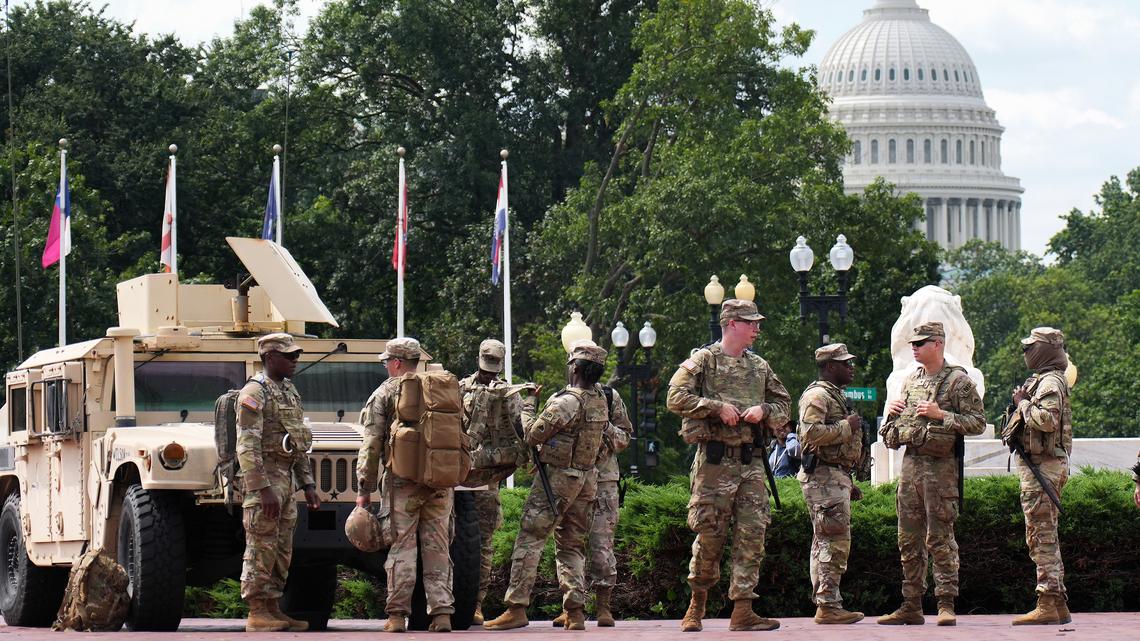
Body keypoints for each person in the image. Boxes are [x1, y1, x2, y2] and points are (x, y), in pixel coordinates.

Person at [666, 299, 791, 632]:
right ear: (732, 323)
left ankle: (743, 610)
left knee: (752, 535)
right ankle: (696, 606)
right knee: (710, 533)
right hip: (715, 464)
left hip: (751, 463)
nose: (757, 329)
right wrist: (715, 407)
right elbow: (674, 397)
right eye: (751, 323)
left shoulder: (760, 366)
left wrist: (764, 410)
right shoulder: (704, 360)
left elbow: (784, 404)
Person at [484, 340, 625, 631]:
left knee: (530, 538)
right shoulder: (600, 400)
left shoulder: (566, 402)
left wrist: (528, 405)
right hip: (587, 480)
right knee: (571, 545)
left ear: (576, 368)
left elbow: (531, 435)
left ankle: (516, 607)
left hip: (558, 480)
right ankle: (574, 611)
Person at [878, 322, 985, 627]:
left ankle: (945, 603)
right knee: (908, 540)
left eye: (921, 342)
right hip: (910, 470)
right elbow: (894, 430)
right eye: (912, 343)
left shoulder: (958, 381)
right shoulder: (912, 380)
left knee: (940, 538)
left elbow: (978, 422)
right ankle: (911, 604)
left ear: (938, 344)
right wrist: (892, 414)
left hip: (941, 473)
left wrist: (942, 415)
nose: (914, 347)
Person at [356, 337, 454, 633]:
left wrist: (364, 489)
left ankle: (397, 616)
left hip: (402, 482)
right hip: (439, 481)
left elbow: (372, 443)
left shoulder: (385, 392)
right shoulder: (438, 388)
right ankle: (441, 614)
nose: (386, 365)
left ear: (397, 362)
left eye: (388, 361)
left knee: (402, 547)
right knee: (438, 547)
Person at [237, 333, 321, 632]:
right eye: (289, 356)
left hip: (285, 478)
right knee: (261, 545)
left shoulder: (288, 391)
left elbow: (296, 442)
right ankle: (257, 611)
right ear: (269, 357)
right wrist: (262, 488)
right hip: (265, 481)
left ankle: (273, 607)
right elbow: (247, 445)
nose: (295, 360)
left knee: (282, 547)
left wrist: (308, 484)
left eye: (296, 355)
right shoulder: (254, 392)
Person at [458, 339, 530, 625]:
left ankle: (475, 603)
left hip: (487, 477)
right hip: (456, 475)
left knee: (483, 542)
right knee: (448, 539)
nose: (489, 373)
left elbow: (522, 430)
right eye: (486, 367)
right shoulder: (461, 388)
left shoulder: (509, 394)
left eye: (494, 368)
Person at [553, 368, 632, 628]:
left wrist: (603, 425)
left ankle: (603, 606)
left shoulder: (610, 397)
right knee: (569, 543)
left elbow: (624, 439)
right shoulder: (562, 398)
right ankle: (571, 605)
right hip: (572, 480)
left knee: (602, 545)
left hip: (603, 482)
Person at [796, 343, 864, 625]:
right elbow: (810, 434)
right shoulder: (818, 395)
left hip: (833, 477)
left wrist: (847, 480)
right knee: (833, 541)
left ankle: (827, 603)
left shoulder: (834, 394)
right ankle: (828, 606)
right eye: (845, 363)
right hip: (824, 479)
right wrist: (847, 426)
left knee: (826, 540)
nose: (851, 368)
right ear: (830, 366)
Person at [1009, 328, 1073, 625]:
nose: (1026, 353)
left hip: (1043, 468)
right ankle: (1057, 604)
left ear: (1046, 350)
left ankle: (1047, 602)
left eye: (1031, 347)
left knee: (1041, 537)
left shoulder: (1049, 382)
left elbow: (1047, 421)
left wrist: (1023, 403)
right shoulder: (1047, 379)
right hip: (1042, 466)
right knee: (1045, 534)